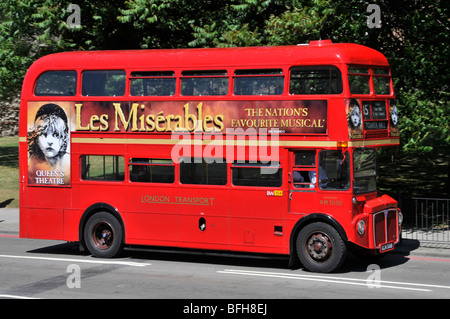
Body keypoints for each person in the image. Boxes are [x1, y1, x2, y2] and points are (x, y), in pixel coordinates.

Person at [28, 103, 70, 185]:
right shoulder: (32, 163)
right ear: (37, 138)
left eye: (56, 135)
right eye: (44, 134)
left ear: (64, 138)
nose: (50, 141)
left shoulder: (68, 162)